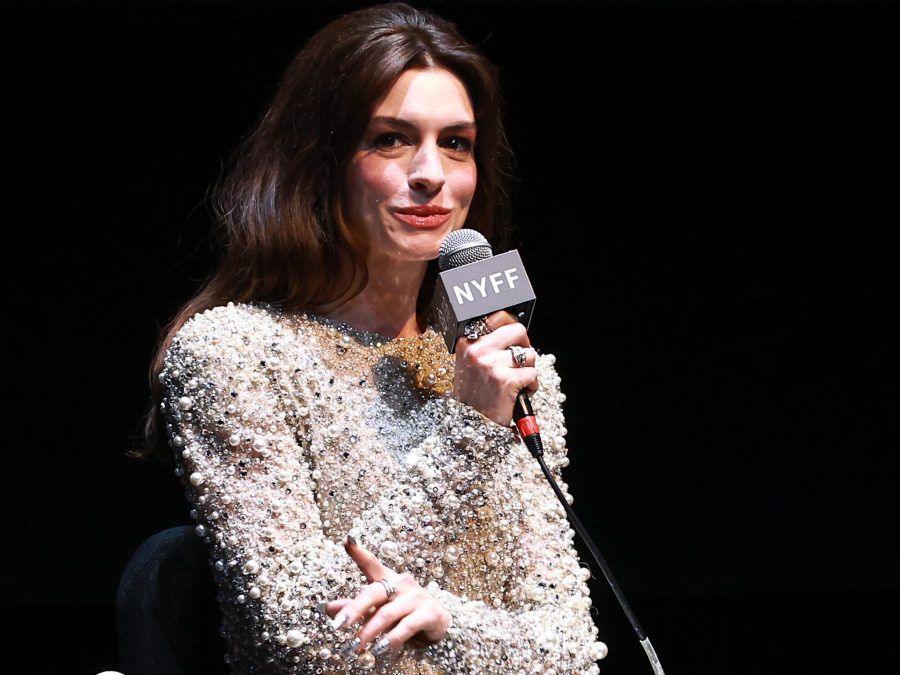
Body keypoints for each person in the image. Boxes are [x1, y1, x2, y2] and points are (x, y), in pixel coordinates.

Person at [147, 3, 606, 672]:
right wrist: (471, 428)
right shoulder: (231, 354)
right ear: (321, 159)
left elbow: (569, 650)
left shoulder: (503, 361)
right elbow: (306, 636)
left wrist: (447, 622)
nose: (431, 173)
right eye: (391, 139)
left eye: (457, 143)